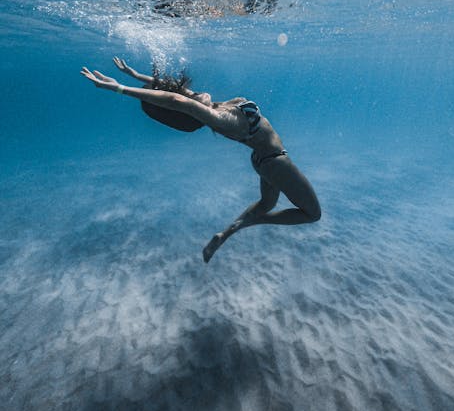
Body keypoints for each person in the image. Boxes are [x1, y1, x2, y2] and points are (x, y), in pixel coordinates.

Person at [81, 57, 321, 262]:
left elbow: (177, 93)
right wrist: (120, 89)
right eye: (193, 101)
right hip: (274, 161)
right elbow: (177, 102)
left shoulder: (212, 105)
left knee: (266, 204)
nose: (196, 93)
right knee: (312, 214)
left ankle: (225, 234)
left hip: (264, 161)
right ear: (193, 113)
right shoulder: (218, 117)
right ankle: (250, 223)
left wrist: (135, 75)